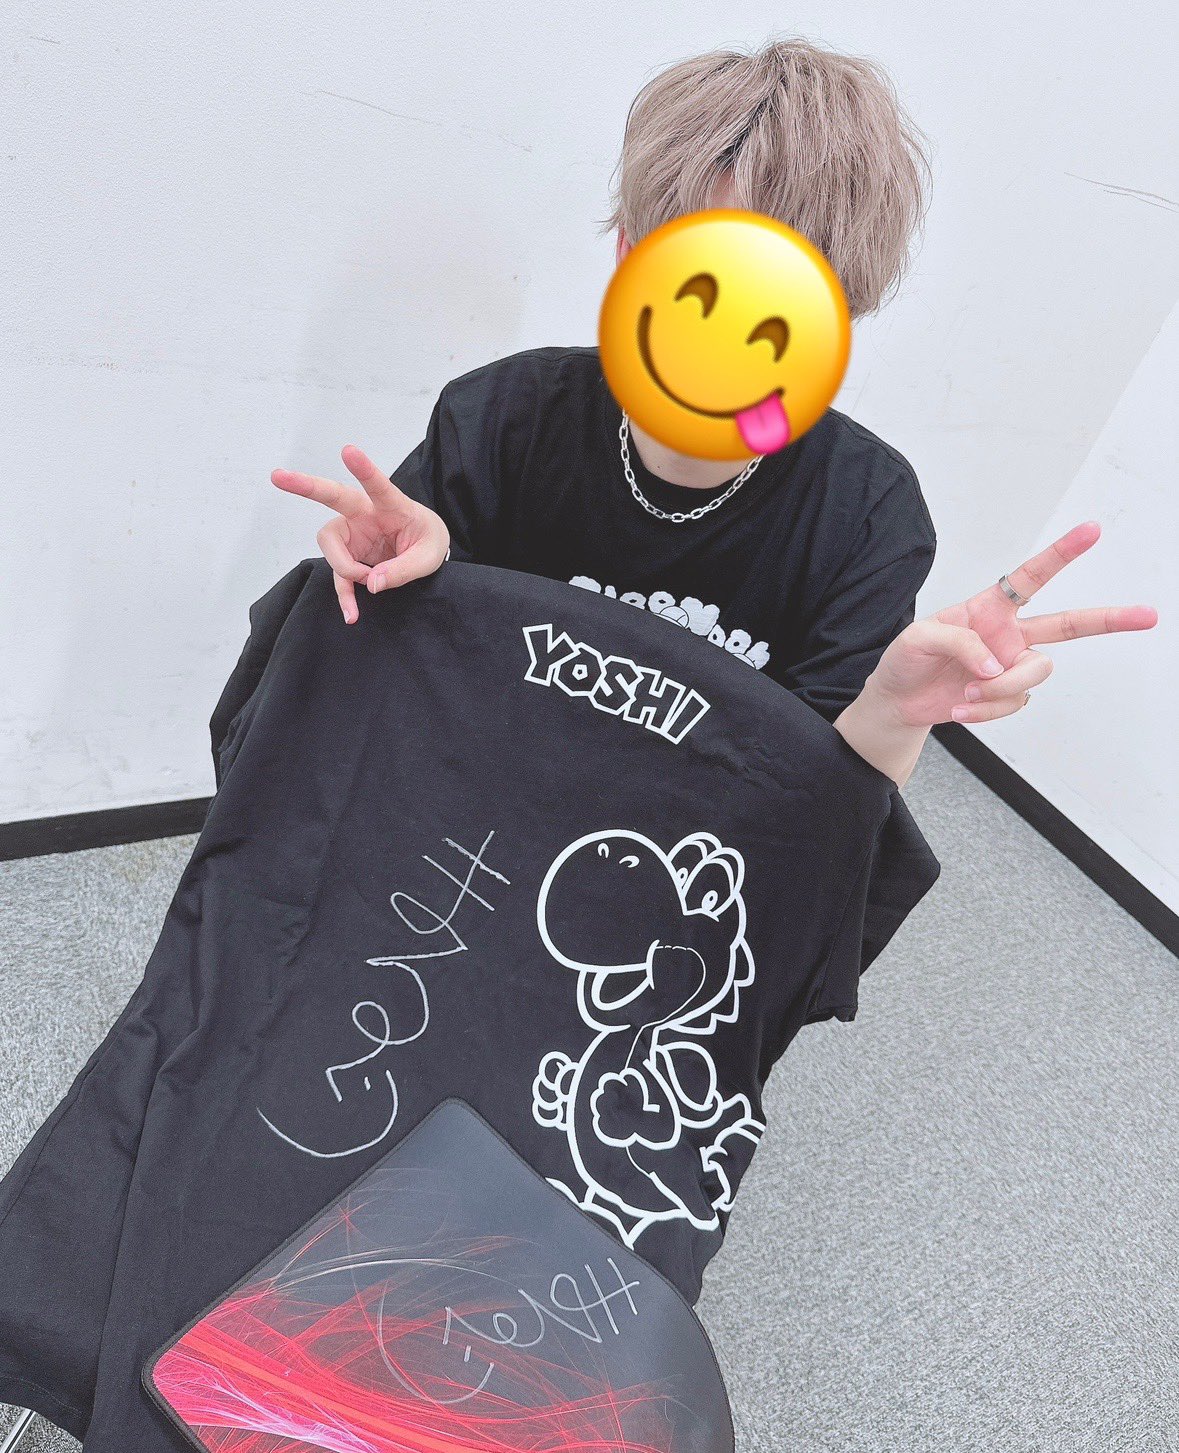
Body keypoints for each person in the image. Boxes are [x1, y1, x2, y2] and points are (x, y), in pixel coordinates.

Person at [272, 38, 1156, 793]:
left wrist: (891, 717)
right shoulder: (502, 416)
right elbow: (378, 700)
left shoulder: (868, 514)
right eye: (701, 279)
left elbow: (821, 816)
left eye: (780, 302)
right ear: (630, 256)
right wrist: (412, 579)